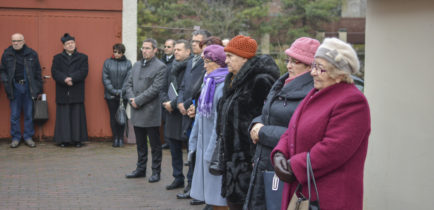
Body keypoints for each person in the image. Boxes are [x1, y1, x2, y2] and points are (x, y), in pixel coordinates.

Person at [271, 37, 371, 210]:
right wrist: (279, 153)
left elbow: (334, 149)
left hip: (329, 197)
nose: (313, 73)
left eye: (321, 68)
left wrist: (294, 166)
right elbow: (292, 129)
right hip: (303, 190)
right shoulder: (316, 93)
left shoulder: (352, 101)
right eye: (314, 66)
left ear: (339, 73)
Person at [244, 37, 320, 209]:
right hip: (264, 162)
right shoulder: (283, 83)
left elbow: (300, 135)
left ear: (310, 66)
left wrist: (262, 133)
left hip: (283, 169)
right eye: (288, 60)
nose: (288, 65)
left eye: (295, 62)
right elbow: (266, 112)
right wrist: (255, 124)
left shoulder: (311, 94)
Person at [216, 35, 280, 209]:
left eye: (230, 56)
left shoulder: (261, 81)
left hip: (250, 160)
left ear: (244, 57)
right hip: (232, 160)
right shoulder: (232, 80)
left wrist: (254, 157)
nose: (225, 60)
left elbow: (268, 119)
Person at [188, 45, 229, 210]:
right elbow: (200, 115)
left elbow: (219, 123)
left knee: (218, 196)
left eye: (207, 61)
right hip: (203, 145)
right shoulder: (208, 82)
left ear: (218, 62)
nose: (204, 65)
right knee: (210, 195)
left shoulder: (222, 86)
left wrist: (210, 152)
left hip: (213, 150)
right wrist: (194, 140)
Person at [124, 38, 167, 183]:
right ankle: (140, 169)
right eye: (143, 48)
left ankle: (156, 172)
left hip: (150, 112)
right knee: (140, 144)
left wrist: (138, 100)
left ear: (155, 50)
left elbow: (155, 89)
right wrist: (132, 99)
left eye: (148, 48)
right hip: (136, 111)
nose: (144, 51)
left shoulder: (160, 67)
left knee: (155, 145)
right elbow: (128, 84)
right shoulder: (136, 65)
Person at [176, 29, 211, 201]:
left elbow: (200, 90)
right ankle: (190, 187)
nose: (193, 44)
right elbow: (184, 85)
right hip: (186, 111)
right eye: (193, 41)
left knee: (197, 153)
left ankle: (196, 190)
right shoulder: (191, 62)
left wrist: (190, 104)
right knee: (190, 152)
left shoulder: (209, 63)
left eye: (197, 41)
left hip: (197, 112)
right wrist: (180, 102)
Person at [0, 33, 42, 148]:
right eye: (14, 41)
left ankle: (28, 137)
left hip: (28, 87)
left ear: (23, 41)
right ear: (11, 42)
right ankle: (16, 138)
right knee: (14, 115)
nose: (16, 43)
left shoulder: (32, 54)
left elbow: (38, 72)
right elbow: (2, 70)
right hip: (14, 88)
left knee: (28, 114)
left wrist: (38, 88)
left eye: (18, 40)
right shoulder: (7, 54)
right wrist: (5, 80)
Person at [161, 40, 192, 191]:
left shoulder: (192, 68)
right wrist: (165, 103)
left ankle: (191, 182)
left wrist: (173, 104)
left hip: (185, 113)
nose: (176, 52)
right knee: (174, 149)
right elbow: (162, 87)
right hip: (171, 114)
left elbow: (187, 90)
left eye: (179, 50)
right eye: (175, 50)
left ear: (188, 52)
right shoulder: (169, 67)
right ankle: (177, 177)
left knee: (190, 151)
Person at [51, 33, 88, 148]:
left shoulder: (83, 57)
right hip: (63, 90)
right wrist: (65, 79)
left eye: (72, 43)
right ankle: (64, 140)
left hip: (76, 89)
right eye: (68, 44)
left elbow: (84, 71)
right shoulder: (57, 58)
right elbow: (55, 72)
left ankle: (78, 140)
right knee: (64, 116)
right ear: (64, 46)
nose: (70, 45)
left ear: (75, 44)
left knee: (77, 115)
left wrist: (72, 78)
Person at [102, 43, 132, 147]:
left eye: (118, 52)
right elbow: (105, 78)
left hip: (123, 96)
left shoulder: (128, 64)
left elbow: (129, 79)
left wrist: (121, 91)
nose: (116, 54)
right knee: (113, 117)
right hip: (111, 95)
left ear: (122, 53)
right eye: (114, 51)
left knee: (121, 116)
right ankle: (115, 138)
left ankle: (121, 138)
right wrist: (114, 91)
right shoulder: (107, 62)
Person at [161, 39, 176, 150]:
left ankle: (173, 141)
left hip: (173, 93)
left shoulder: (176, 61)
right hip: (163, 92)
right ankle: (167, 141)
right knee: (165, 119)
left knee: (172, 118)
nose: (166, 48)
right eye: (165, 46)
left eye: (169, 47)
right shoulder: (161, 61)